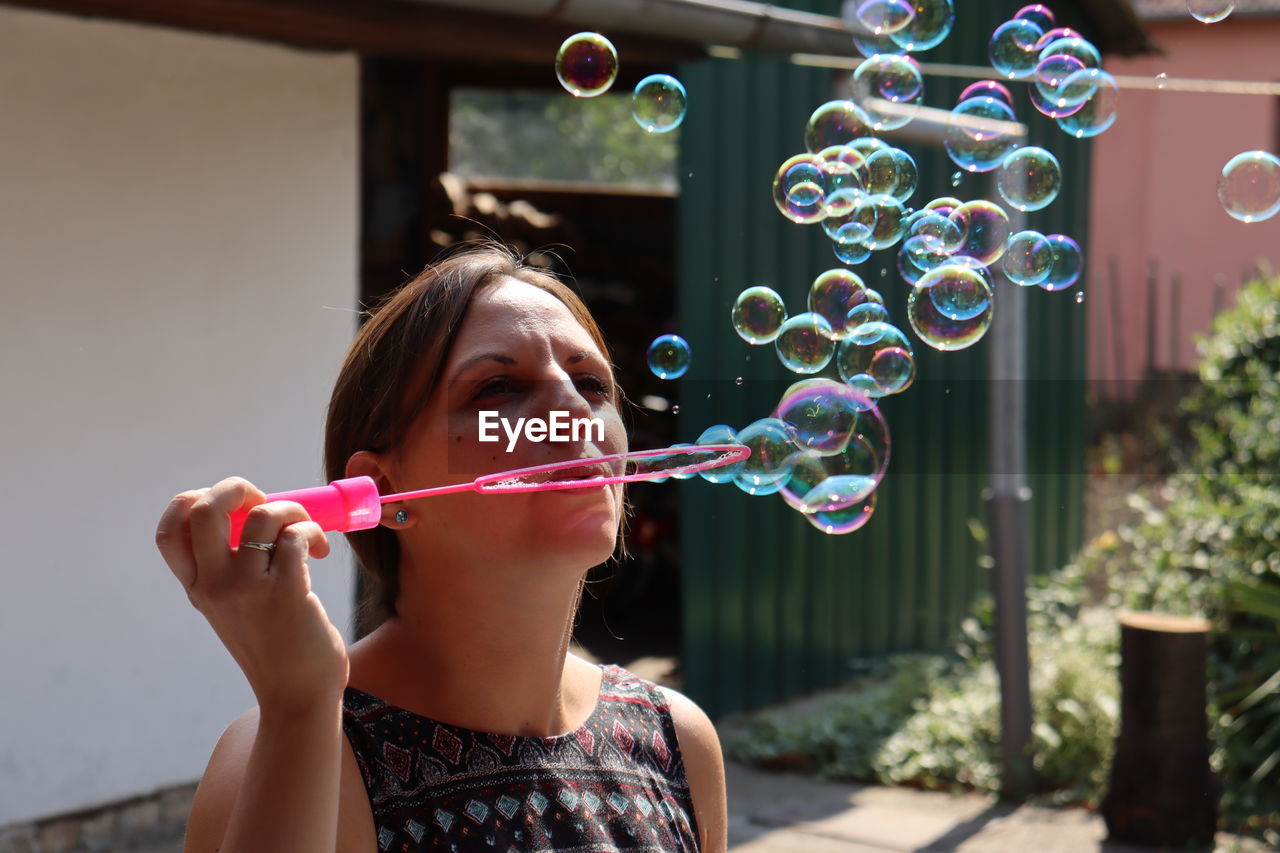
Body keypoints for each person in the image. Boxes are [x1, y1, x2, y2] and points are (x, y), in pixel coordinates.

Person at [155, 245, 728, 853]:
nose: (572, 411)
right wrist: (298, 706)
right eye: (499, 388)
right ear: (383, 489)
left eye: (591, 383)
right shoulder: (298, 753)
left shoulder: (678, 743)